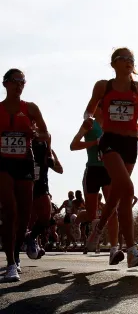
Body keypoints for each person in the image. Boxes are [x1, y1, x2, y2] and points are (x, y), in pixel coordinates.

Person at [84, 47, 138, 268]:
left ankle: (99, 227)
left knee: (116, 195)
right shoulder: (103, 86)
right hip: (110, 141)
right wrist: (88, 120)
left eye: (131, 59)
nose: (128, 62)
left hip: (129, 144)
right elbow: (89, 110)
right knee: (127, 189)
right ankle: (132, 251)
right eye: (123, 59)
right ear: (114, 64)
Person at [0, 68, 51, 282]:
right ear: (5, 83)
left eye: (23, 82)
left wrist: (34, 133)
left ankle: (17, 255)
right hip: (3, 163)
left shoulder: (30, 108)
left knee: (23, 214)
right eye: (15, 81)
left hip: (25, 162)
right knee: (10, 210)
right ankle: (11, 262)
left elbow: (46, 134)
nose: (19, 85)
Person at [70, 105, 124, 264]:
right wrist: (95, 142)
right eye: (103, 104)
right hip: (92, 170)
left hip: (108, 170)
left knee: (112, 209)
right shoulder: (89, 124)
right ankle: (78, 221)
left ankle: (114, 250)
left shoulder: (112, 124)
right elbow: (73, 145)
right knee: (92, 215)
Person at [25, 134, 63, 259]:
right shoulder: (23, 136)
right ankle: (15, 259)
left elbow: (59, 169)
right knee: (25, 220)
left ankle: (31, 238)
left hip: (40, 183)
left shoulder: (45, 141)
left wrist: (51, 152)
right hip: (23, 181)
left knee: (46, 216)